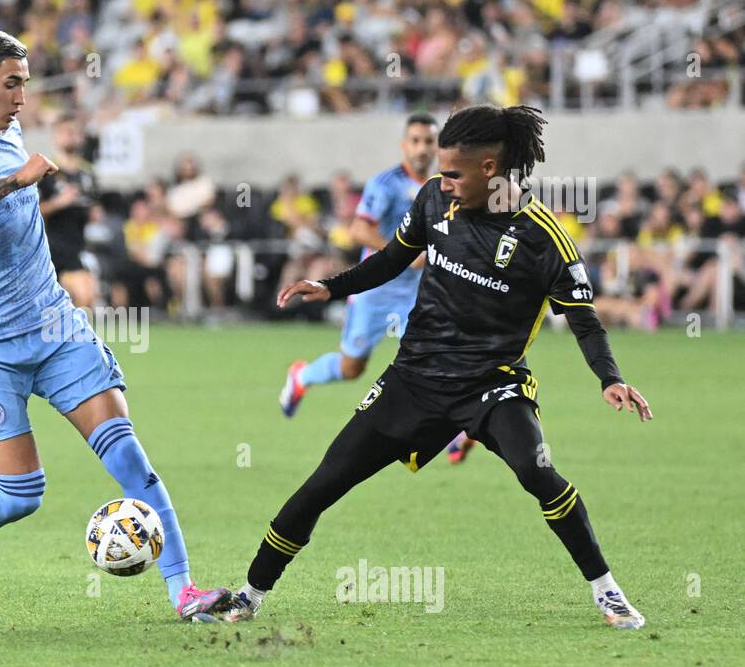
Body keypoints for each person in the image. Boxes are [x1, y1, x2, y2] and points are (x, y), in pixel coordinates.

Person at [225, 104, 653, 631]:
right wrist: (331, 286)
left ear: (490, 169)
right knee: (323, 483)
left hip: (492, 385)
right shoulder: (433, 199)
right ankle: (247, 596)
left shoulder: (545, 240)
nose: (442, 181)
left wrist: (610, 379)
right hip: (413, 378)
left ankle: (608, 594)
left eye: (454, 172)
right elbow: (390, 259)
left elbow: (585, 322)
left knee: (537, 473)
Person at [0, 29, 232, 621]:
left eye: (26, 84)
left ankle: (184, 592)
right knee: (22, 493)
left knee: (130, 458)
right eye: (12, 83)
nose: (23, 97)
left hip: (57, 327)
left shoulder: (11, 130)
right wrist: (13, 182)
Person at [280, 113, 438, 415]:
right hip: (376, 287)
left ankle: (457, 434)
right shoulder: (385, 185)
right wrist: (403, 252)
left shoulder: (443, 185)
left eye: (428, 141)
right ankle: (302, 376)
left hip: (420, 290)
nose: (421, 148)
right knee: (352, 367)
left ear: (436, 147)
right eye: (415, 141)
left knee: (431, 359)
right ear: (403, 145)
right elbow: (359, 230)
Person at [37, 115, 99, 308]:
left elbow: (92, 206)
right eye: (66, 132)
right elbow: (34, 210)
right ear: (56, 137)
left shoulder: (87, 174)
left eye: (75, 132)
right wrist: (59, 203)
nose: (71, 137)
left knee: (85, 297)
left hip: (77, 246)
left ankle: (71, 337)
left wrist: (94, 214)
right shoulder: (46, 172)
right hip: (50, 246)